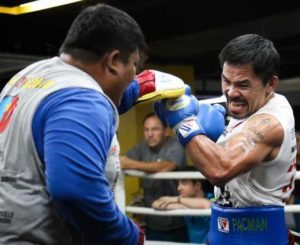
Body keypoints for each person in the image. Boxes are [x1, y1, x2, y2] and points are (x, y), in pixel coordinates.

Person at [0, 3, 155, 244]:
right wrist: (127, 236)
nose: (135, 74)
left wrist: (134, 89)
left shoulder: (29, 78)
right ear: (113, 60)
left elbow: (54, 119)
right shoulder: (82, 100)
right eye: (133, 65)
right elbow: (75, 192)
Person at [154, 34, 297, 244]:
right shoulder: (251, 105)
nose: (231, 92)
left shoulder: (270, 123)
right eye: (226, 81)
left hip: (258, 237)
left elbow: (220, 169)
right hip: (223, 234)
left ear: (270, 84)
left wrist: (182, 123)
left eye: (243, 85)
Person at [120, 112, 189, 242]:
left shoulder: (176, 145)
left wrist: (131, 164)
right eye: (146, 130)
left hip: (177, 221)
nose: (149, 134)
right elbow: (121, 162)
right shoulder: (142, 147)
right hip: (152, 222)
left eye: (155, 129)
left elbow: (167, 166)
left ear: (166, 131)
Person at [152, 166, 214, 244]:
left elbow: (206, 204)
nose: (178, 188)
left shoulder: (213, 198)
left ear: (197, 186)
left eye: (184, 183)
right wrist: (183, 204)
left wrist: (176, 200)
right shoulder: (184, 200)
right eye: (178, 183)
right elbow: (156, 204)